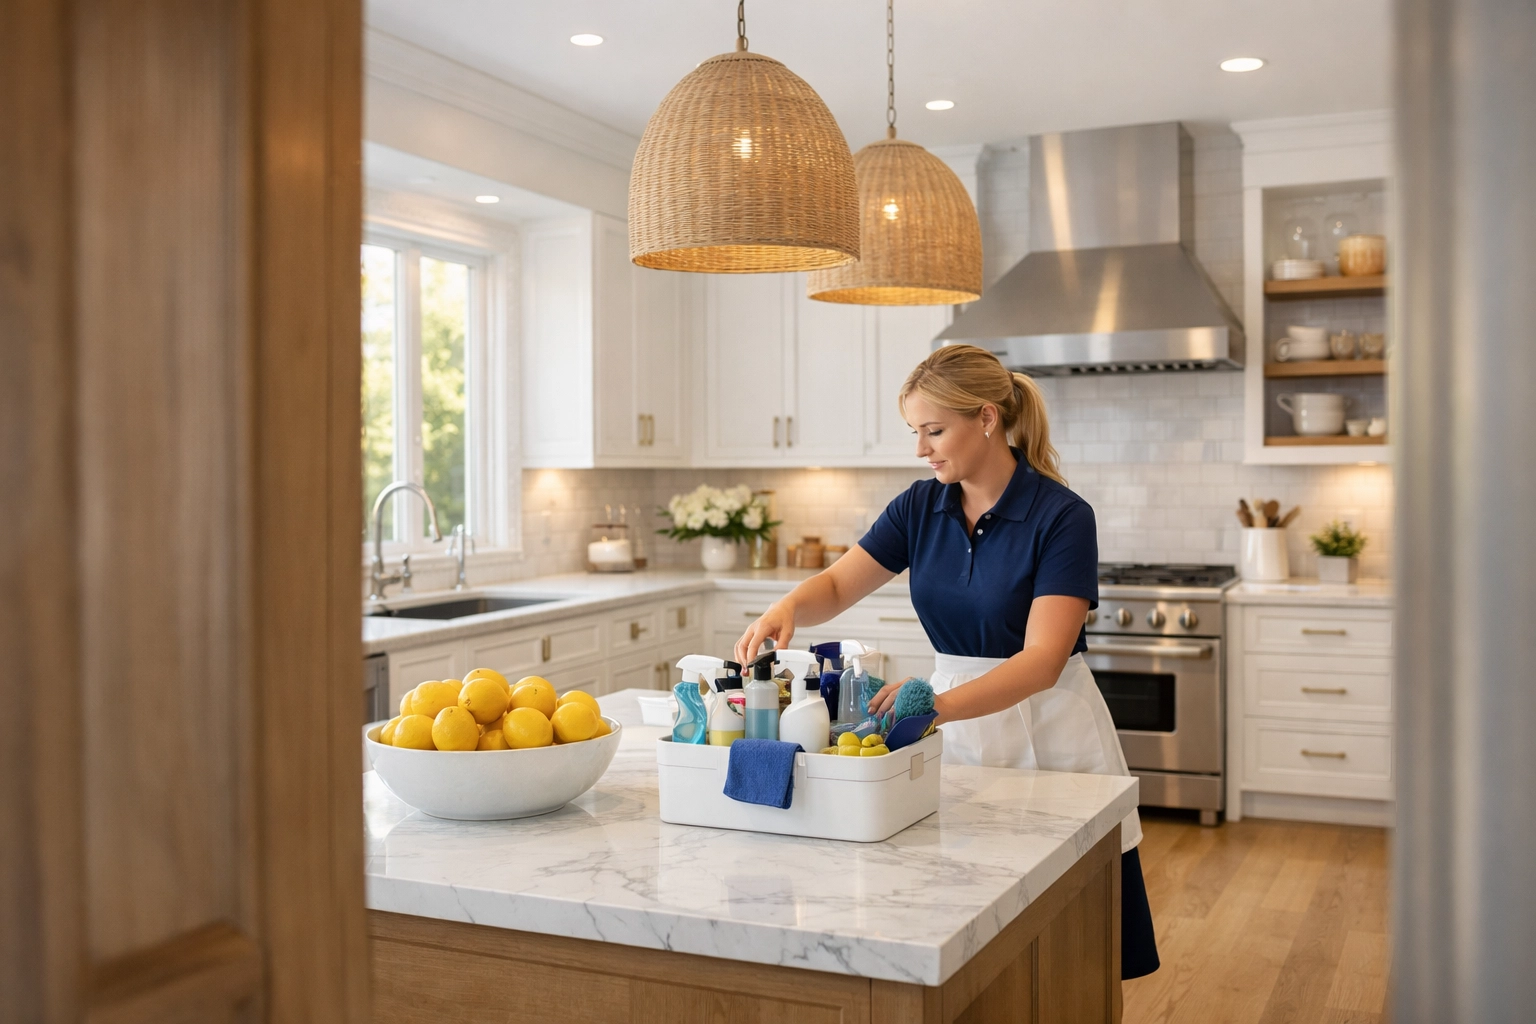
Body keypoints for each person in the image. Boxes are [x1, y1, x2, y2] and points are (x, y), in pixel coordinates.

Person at [735, 343, 1159, 980]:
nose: (920, 449)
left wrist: (935, 708)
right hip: (949, 721)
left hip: (1047, 725)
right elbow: (838, 586)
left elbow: (1043, 660)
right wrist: (787, 607)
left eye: (933, 431)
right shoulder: (919, 505)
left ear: (986, 419)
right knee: (962, 917)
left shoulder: (1063, 517)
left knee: (1074, 943)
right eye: (915, 432)